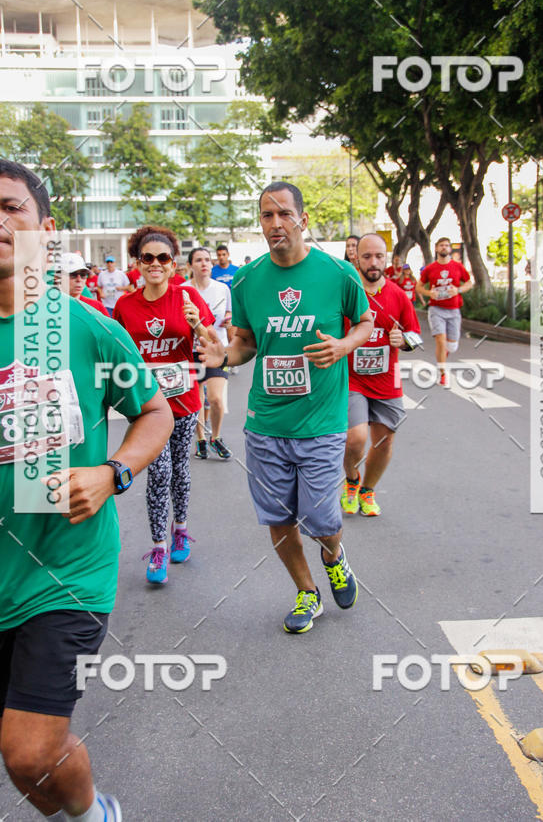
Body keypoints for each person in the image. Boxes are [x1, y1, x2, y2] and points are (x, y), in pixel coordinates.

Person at [0, 160, 173, 822]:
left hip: (66, 570)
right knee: (18, 754)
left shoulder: (84, 327)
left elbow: (156, 412)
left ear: (46, 233)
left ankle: (94, 815)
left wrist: (114, 472)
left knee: (26, 750)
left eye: (11, 207)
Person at [198, 181, 373, 634]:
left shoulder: (338, 273)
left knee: (322, 518)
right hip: (266, 422)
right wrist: (222, 357)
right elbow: (246, 344)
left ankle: (334, 556)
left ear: (302, 219)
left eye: (283, 214)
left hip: (321, 421)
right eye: (266, 215)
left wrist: (344, 345)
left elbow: (368, 322)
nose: (275, 223)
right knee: (277, 516)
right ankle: (306, 592)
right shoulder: (247, 279)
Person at [113, 226, 216, 584]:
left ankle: (181, 529)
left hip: (184, 400)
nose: (155, 264)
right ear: (137, 263)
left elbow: (214, 344)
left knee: (180, 472)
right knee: (158, 473)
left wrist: (197, 325)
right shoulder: (125, 305)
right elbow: (119, 354)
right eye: (148, 258)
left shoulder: (187, 296)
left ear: (173, 264)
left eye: (163, 258)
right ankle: (158, 546)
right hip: (147, 405)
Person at [341, 234, 420, 517]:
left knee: (385, 441)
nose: (373, 263)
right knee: (356, 438)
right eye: (366, 257)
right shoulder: (347, 293)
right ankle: (351, 481)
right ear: (356, 258)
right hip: (352, 379)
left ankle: (368, 489)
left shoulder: (398, 296)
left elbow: (414, 335)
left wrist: (404, 340)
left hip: (387, 380)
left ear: (385, 258)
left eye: (378, 256)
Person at [185, 247, 233, 459]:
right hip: (191, 351)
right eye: (198, 260)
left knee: (215, 398)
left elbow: (230, 312)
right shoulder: (182, 290)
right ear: (190, 265)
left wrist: (229, 321)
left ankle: (216, 437)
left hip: (216, 348)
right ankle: (200, 440)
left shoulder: (222, 288)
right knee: (196, 401)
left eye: (207, 260)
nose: (204, 263)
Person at [416, 237, 472, 385]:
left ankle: (445, 352)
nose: (444, 248)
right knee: (440, 340)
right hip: (436, 309)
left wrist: (458, 290)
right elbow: (419, 287)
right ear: (436, 248)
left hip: (454, 310)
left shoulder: (458, 267)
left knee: (452, 346)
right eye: (441, 245)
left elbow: (469, 283)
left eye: (447, 245)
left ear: (450, 249)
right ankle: (442, 373)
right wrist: (429, 293)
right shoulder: (430, 268)